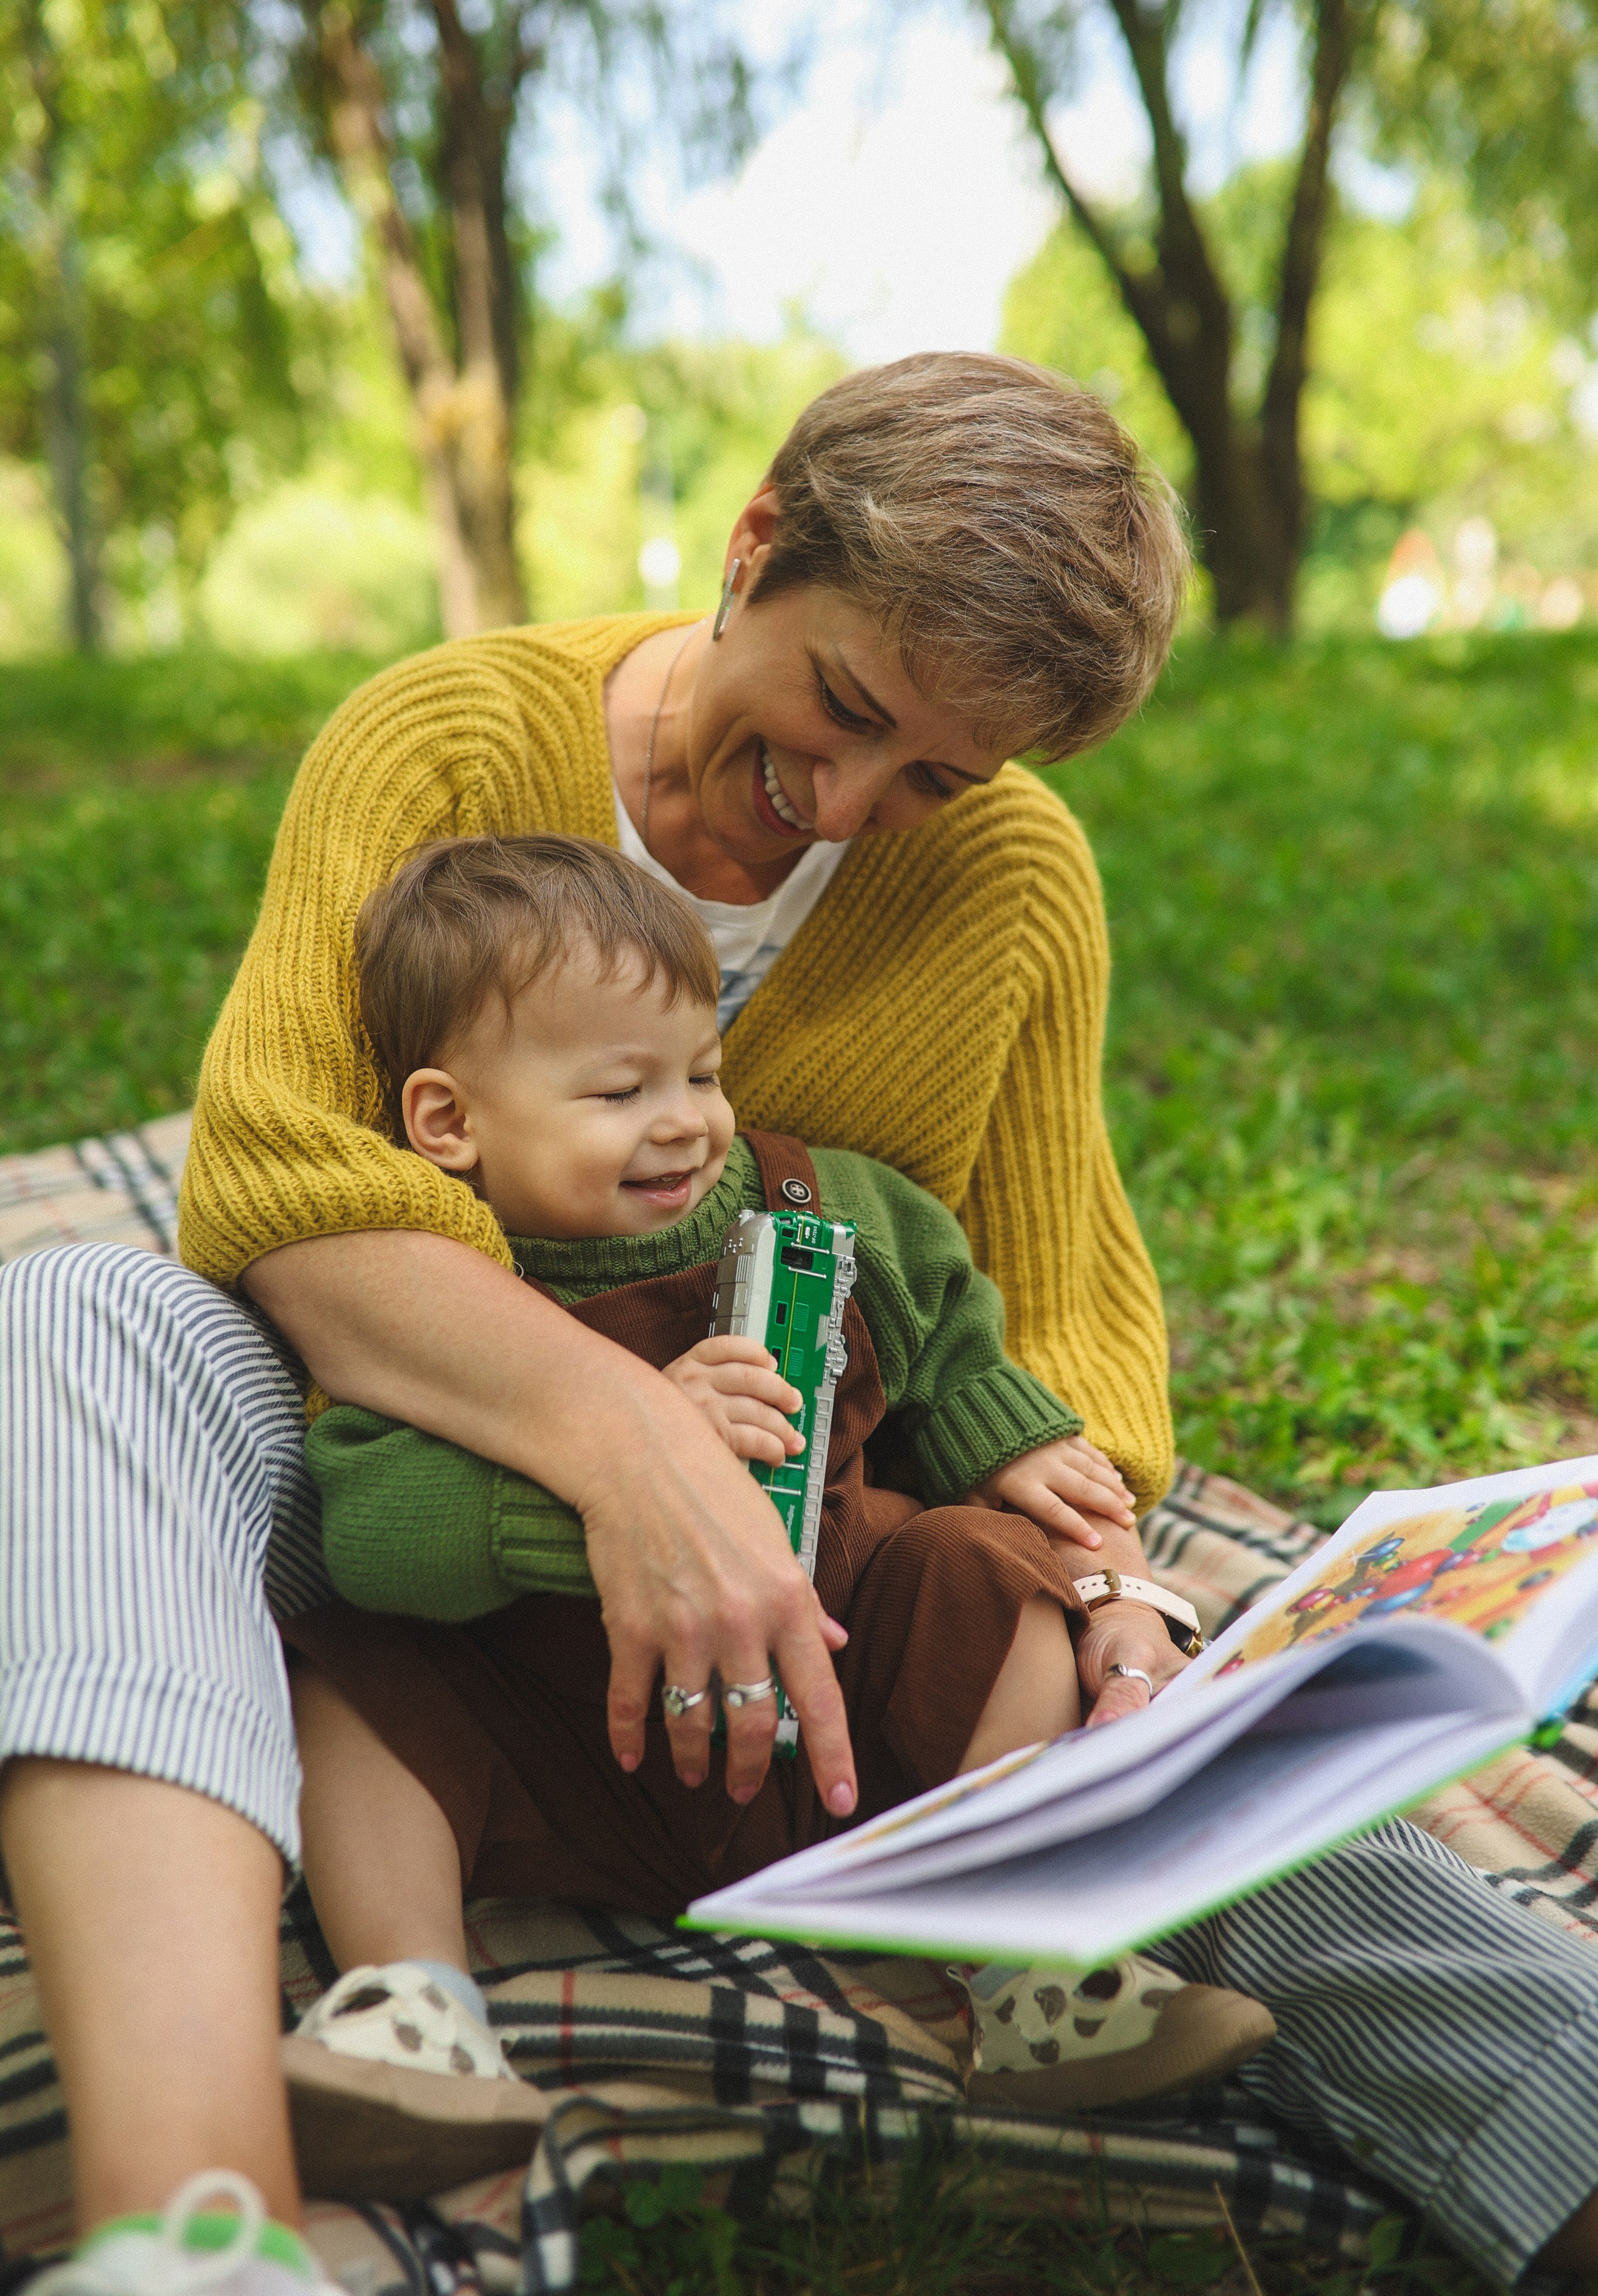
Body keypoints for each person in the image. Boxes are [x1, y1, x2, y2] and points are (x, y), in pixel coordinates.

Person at [1, 351, 1596, 2292]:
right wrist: (636, 1455)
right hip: (408, 1469)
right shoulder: (446, 742)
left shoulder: (1010, 882)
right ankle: (196, 2228)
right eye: (844, 705)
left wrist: (1114, 1598)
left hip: (825, 1570)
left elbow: (1048, 1319)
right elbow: (280, 1187)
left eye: (936, 775)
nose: (846, 803)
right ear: (757, 544)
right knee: (76, 1322)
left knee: (1201, 1757)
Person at [277, 832, 1272, 2193]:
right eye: (619, 1089)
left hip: (851, 1731)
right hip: (573, 1753)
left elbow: (957, 1350)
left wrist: (1018, 1454)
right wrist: (602, 1483)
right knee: (350, 1672)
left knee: (983, 1567)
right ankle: (412, 2012)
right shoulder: (434, 1289)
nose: (684, 1120)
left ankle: (1034, 1969)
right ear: (448, 1124)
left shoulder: (830, 1208)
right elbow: (372, 1530)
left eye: (702, 1072)